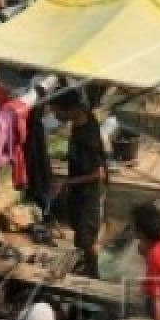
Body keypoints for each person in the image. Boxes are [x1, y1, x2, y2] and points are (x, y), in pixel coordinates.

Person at [49, 88, 107, 278]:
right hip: (78, 191)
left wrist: (67, 183)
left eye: (58, 112)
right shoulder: (81, 120)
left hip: (87, 195)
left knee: (86, 239)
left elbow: (98, 173)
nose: (56, 116)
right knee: (79, 235)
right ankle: (85, 266)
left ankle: (94, 275)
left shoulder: (87, 136)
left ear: (72, 109)